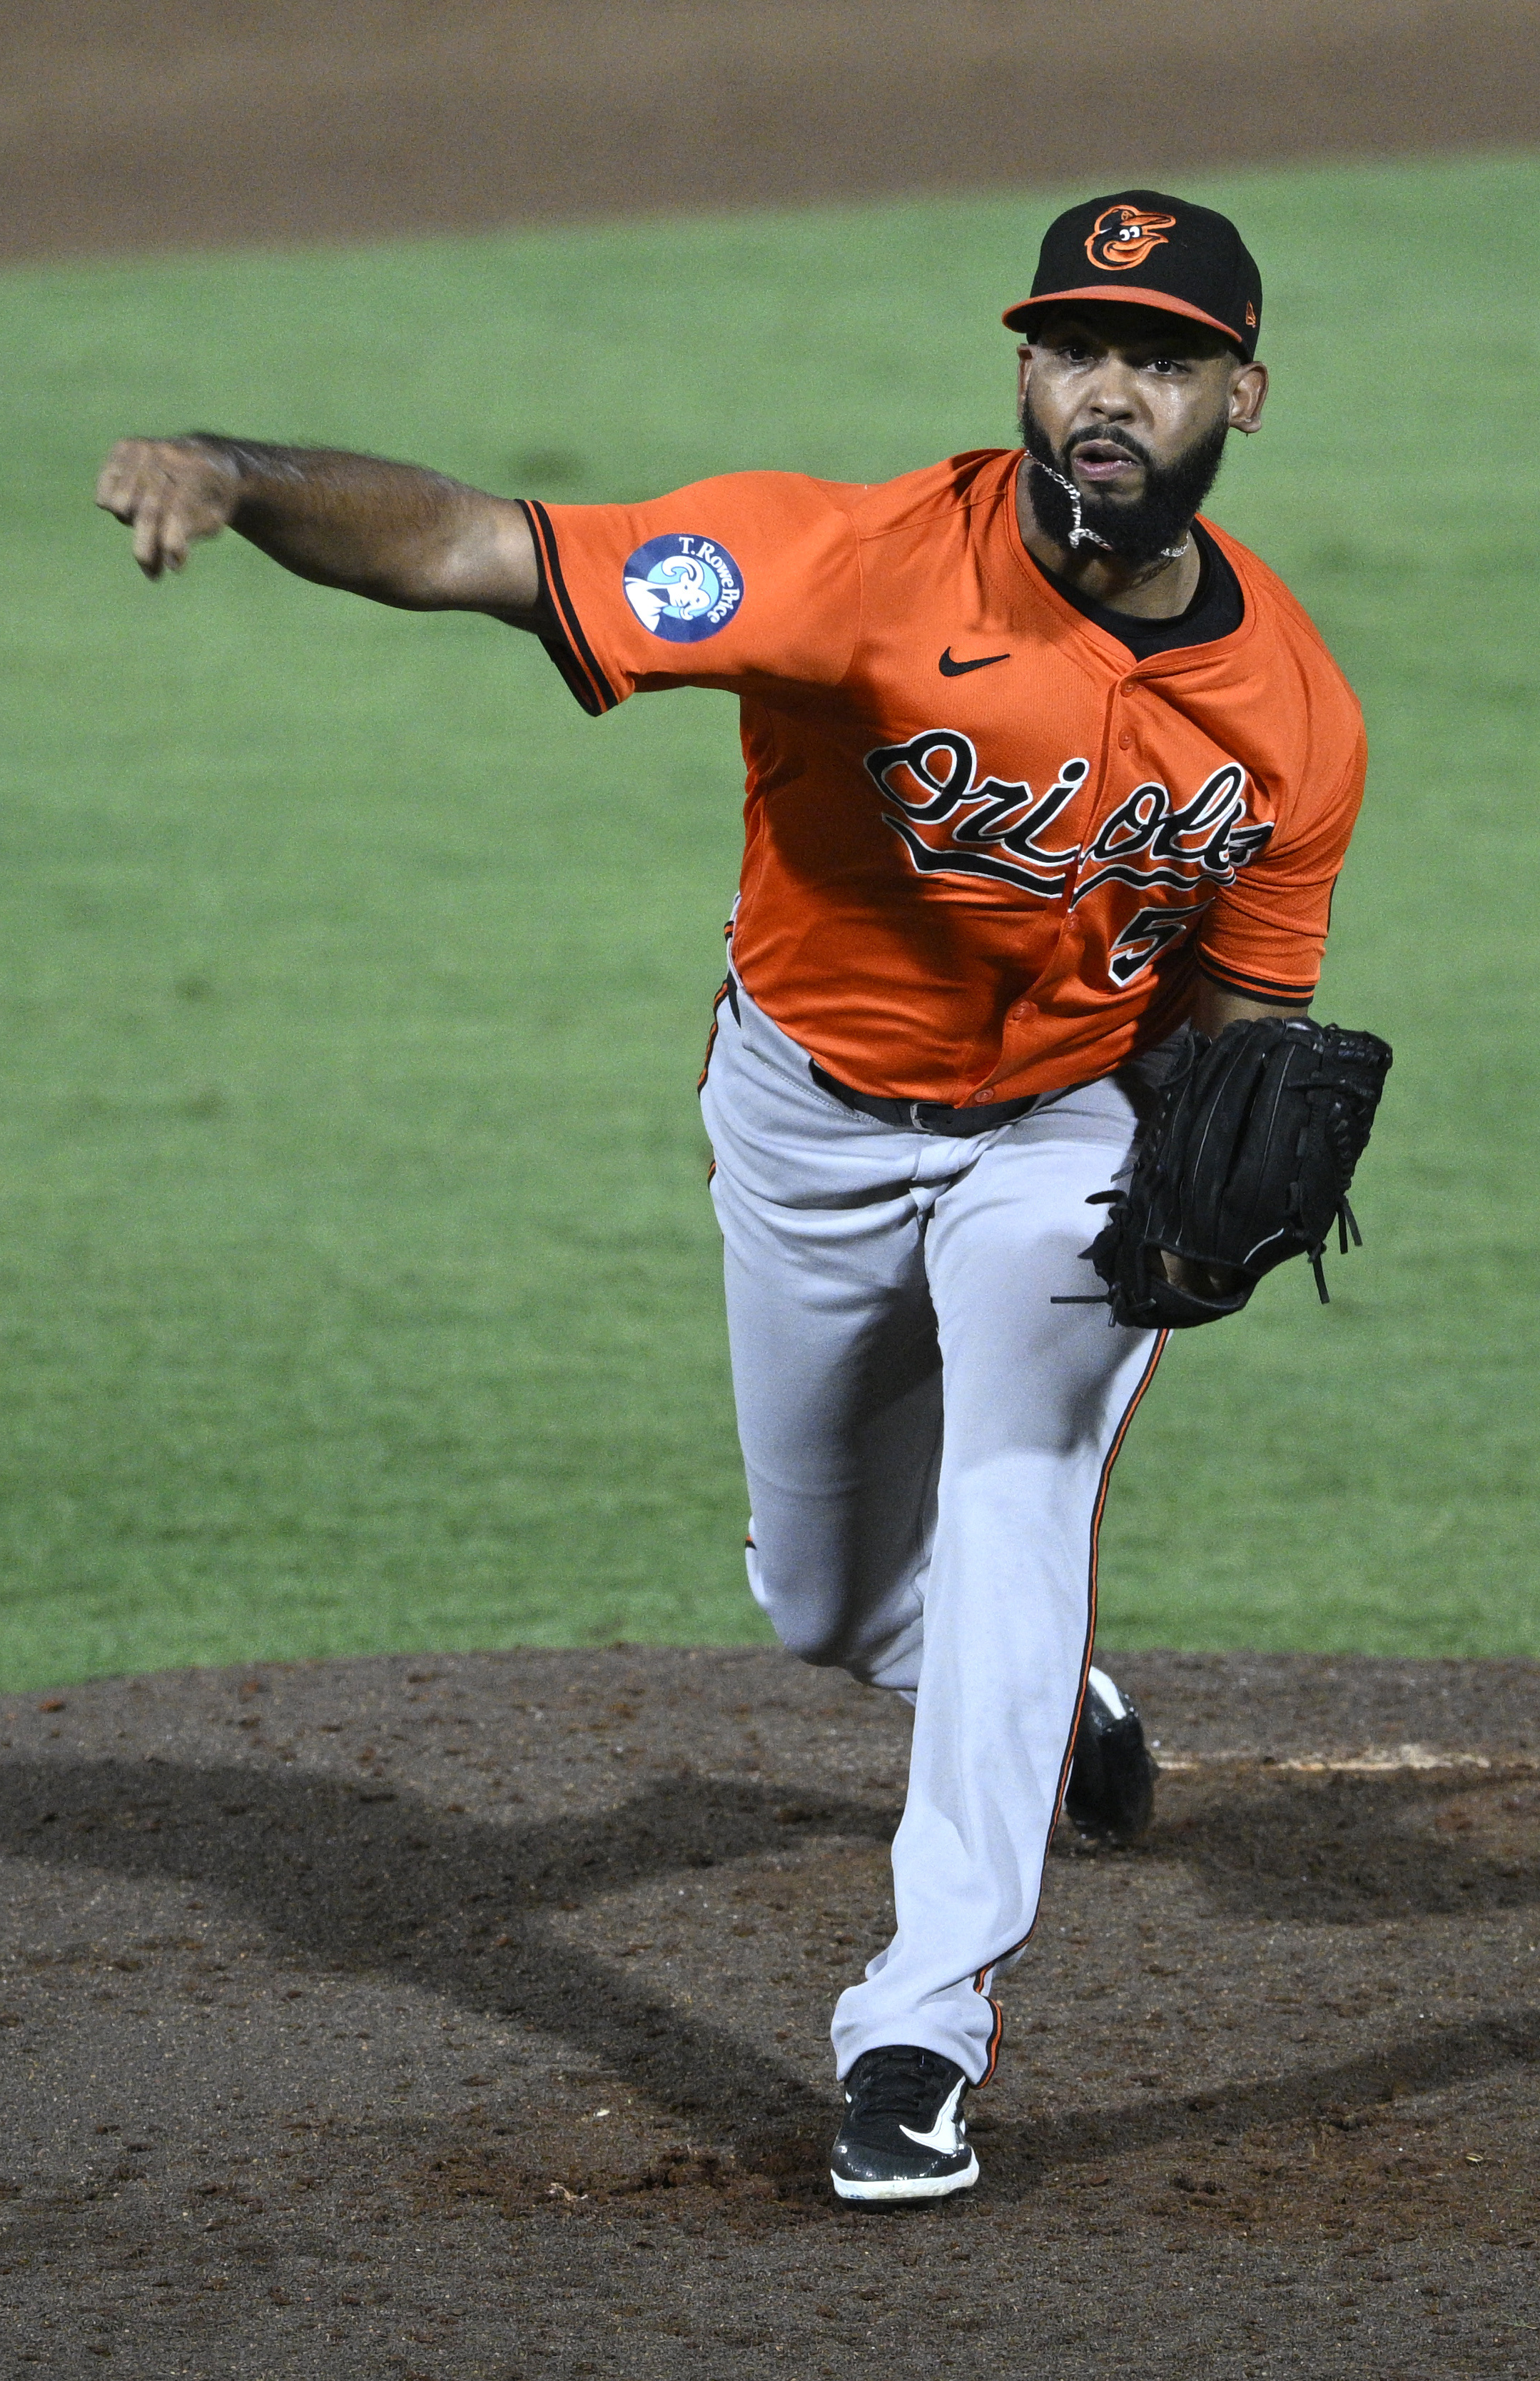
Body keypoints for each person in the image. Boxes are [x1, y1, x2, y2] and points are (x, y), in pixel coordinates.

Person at [95, 190, 1365, 2205]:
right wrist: (240, 477)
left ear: (1243, 394)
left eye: (1164, 356)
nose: (1110, 388)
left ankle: (918, 2039)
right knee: (831, 1603)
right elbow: (482, 549)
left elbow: (1245, 1012)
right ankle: (1043, 1710)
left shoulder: (1293, 714)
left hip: (1056, 1134)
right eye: (1074, 345)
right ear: (1021, 369)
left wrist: (1203, 1182)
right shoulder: (840, 565)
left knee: (1021, 1478)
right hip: (808, 1117)